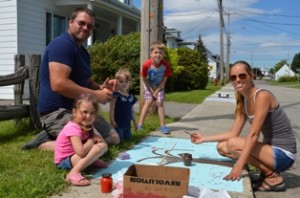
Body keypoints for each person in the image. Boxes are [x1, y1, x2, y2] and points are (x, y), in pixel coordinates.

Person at [21, 7, 120, 151]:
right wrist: (96, 95)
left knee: (113, 138)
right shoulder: (62, 45)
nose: (85, 28)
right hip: (56, 112)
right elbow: (59, 84)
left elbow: (86, 81)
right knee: (91, 146)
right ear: (70, 22)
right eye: (81, 23)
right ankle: (42, 143)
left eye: (90, 26)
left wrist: (100, 87)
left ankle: (53, 135)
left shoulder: (83, 53)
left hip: (79, 111)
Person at [190, 60, 297, 192]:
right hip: (270, 152)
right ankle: (267, 172)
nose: (238, 80)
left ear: (251, 76)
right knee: (222, 147)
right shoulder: (243, 101)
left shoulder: (262, 96)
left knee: (232, 144)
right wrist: (204, 139)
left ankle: (271, 176)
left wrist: (239, 166)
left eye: (242, 76)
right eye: (233, 77)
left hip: (283, 155)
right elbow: (232, 133)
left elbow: (253, 135)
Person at [55, 94, 107, 186]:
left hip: (73, 157)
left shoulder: (87, 125)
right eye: (84, 112)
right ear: (74, 112)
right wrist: (92, 140)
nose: (88, 116)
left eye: (92, 113)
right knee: (97, 148)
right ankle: (73, 172)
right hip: (64, 161)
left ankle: (91, 160)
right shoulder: (73, 128)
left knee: (102, 145)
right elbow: (81, 152)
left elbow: (98, 140)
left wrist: (97, 139)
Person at [138, 41, 172, 134]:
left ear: (163, 54)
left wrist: (156, 92)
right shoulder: (146, 65)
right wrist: (151, 91)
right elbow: (144, 79)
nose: (158, 55)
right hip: (149, 85)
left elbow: (164, 80)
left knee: (160, 102)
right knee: (148, 102)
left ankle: (162, 126)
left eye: (160, 53)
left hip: (159, 86)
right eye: (155, 52)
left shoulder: (166, 65)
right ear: (151, 53)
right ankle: (140, 125)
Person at [109, 68, 137, 141]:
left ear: (129, 82)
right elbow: (112, 109)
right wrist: (112, 121)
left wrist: (135, 121)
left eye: (126, 81)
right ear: (116, 82)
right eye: (121, 82)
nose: (124, 83)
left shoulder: (131, 97)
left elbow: (132, 110)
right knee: (120, 141)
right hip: (118, 124)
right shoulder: (116, 95)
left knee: (128, 140)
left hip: (127, 124)